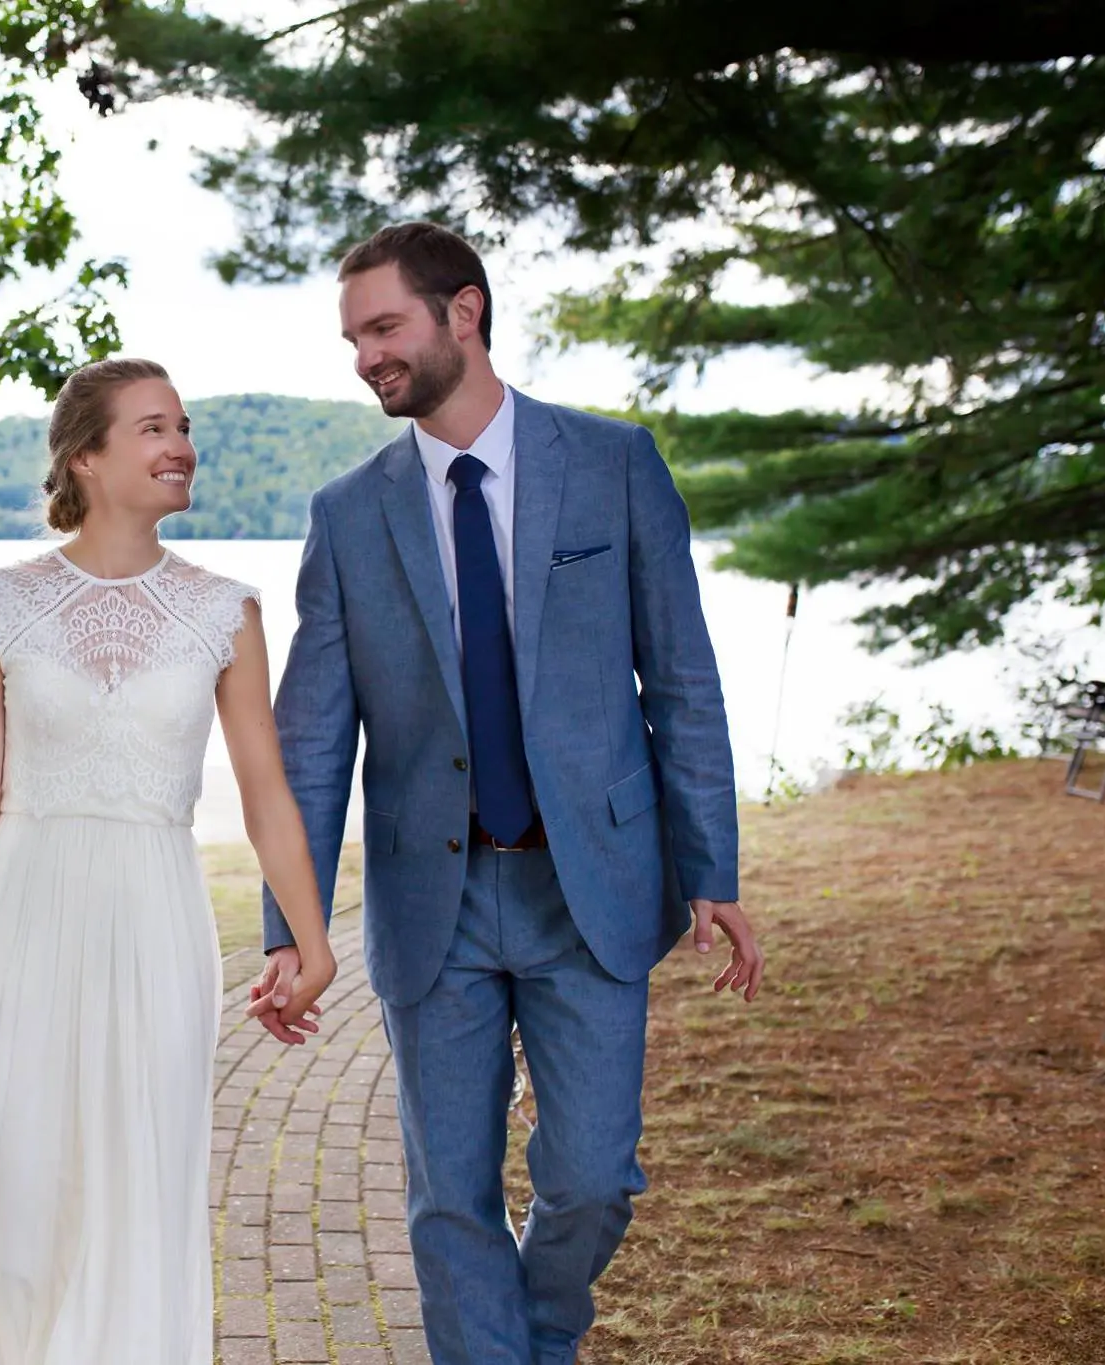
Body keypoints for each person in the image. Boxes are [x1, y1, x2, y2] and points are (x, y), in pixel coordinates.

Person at [251, 222, 765, 1365]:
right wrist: (288, 928)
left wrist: (712, 869)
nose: (363, 357)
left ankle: (536, 1338)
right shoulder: (347, 515)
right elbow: (312, 745)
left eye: (383, 327)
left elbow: (681, 678)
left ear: (463, 313)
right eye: (350, 338)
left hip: (591, 886)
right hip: (429, 904)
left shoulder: (612, 463)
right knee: (447, 1202)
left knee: (591, 1178)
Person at [0, 357, 338, 1365]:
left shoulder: (226, 611)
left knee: (134, 1192)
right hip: (22, 920)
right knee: (15, 1194)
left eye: (184, 426)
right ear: (86, 456)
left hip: (154, 921)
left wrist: (310, 940)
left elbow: (264, 794)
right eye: (153, 429)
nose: (181, 447)